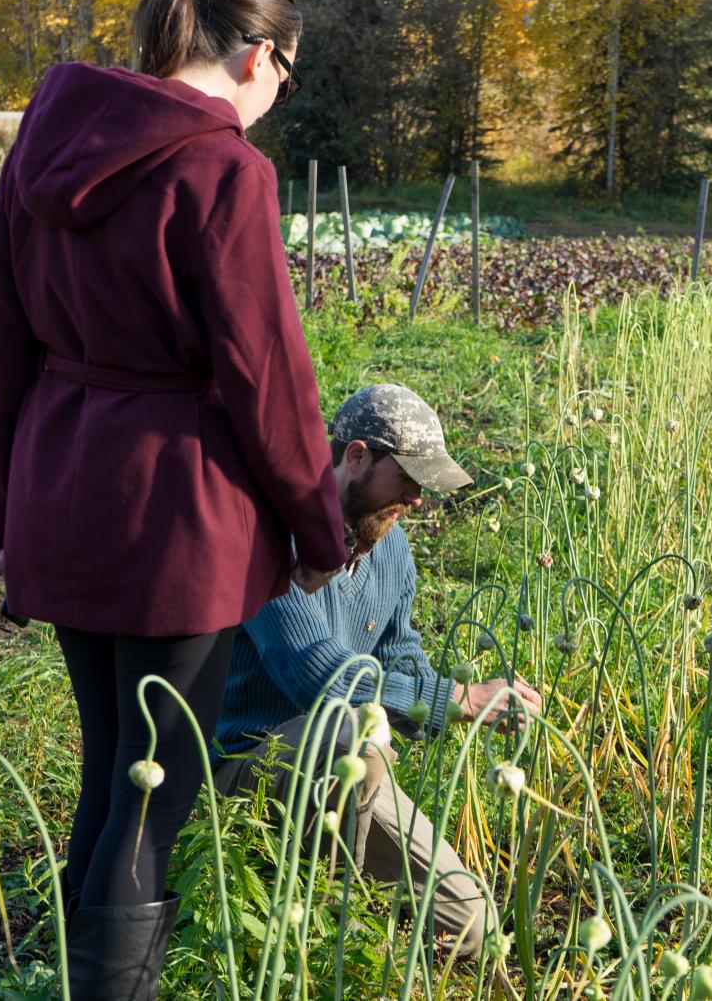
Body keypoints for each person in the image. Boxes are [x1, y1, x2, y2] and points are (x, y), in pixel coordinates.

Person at [0, 0, 346, 1000]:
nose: (278, 98)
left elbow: (7, 338)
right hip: (175, 519)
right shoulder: (225, 172)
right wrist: (320, 529)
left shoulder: (43, 144)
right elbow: (266, 375)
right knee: (153, 794)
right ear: (256, 56)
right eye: (287, 75)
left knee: (111, 771)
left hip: (63, 485)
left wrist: (0, 504)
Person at [212, 383, 544, 965]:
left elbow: (402, 658)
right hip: (249, 765)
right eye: (409, 479)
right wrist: (459, 698)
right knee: (353, 732)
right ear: (357, 456)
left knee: (473, 925)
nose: (418, 500)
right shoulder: (271, 536)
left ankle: (338, 896)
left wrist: (451, 700)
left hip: (352, 765)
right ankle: (311, 916)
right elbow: (318, 682)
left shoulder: (390, 547)